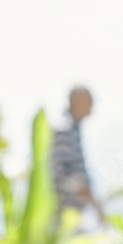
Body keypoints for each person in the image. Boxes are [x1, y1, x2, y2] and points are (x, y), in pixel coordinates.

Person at [51, 84, 104, 222]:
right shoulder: (64, 129)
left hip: (74, 212)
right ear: (76, 102)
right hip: (64, 212)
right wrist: (91, 199)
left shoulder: (73, 128)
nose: (91, 107)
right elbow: (60, 173)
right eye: (89, 102)